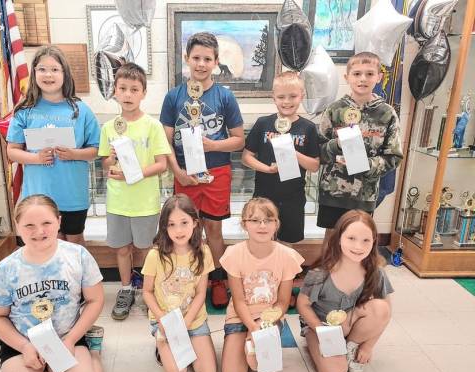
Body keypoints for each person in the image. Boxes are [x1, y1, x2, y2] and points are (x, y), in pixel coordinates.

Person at [0, 194, 104, 372]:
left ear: (59, 221)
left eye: (46, 223)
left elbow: (95, 300)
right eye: (29, 225)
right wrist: (25, 347)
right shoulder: (7, 267)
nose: (39, 232)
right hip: (23, 343)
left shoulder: (77, 255)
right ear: (17, 226)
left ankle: (93, 353)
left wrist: (69, 340)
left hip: (67, 335)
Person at [160, 32, 244, 309]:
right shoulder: (173, 97)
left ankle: (216, 279)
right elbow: (165, 141)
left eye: (207, 59)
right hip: (185, 173)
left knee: (213, 229)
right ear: (187, 59)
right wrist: (177, 172)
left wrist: (211, 145)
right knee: (184, 228)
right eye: (196, 58)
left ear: (216, 62)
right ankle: (186, 278)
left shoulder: (225, 97)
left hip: (216, 172)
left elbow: (239, 140)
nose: (201, 64)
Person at [7, 45, 100, 246]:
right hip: (39, 196)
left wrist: (74, 154)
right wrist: (36, 158)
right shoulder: (25, 110)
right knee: (47, 245)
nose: (48, 75)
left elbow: (95, 150)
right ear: (34, 73)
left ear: (64, 73)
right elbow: (12, 151)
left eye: (55, 69)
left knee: (74, 244)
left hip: (72, 194)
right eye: (42, 69)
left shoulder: (81, 110)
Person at [99, 63, 171, 321]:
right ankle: (126, 288)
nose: (128, 94)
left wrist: (136, 173)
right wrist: (112, 159)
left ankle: (150, 290)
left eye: (134, 89)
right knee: (121, 248)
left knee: (147, 248)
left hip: (145, 201)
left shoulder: (152, 126)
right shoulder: (109, 127)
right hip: (118, 201)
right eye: (123, 89)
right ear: (115, 92)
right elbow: (105, 162)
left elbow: (162, 164)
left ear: (143, 92)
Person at [297, 210, 393, 372]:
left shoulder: (376, 273)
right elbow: (302, 304)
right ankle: (320, 346)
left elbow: (386, 314)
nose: (358, 247)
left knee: (381, 307)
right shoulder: (320, 273)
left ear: (374, 242)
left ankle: (351, 347)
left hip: (351, 325)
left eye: (366, 240)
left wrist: (368, 345)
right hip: (320, 327)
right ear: (339, 238)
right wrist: (320, 330)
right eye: (351, 238)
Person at [317, 51, 403, 247]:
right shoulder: (334, 110)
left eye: (369, 73)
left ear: (379, 77)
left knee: (358, 244)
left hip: (364, 194)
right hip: (333, 192)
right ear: (347, 77)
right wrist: (336, 145)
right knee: (331, 241)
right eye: (356, 74)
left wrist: (367, 165)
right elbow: (319, 150)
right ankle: (327, 277)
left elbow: (394, 156)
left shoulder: (387, 114)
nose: (363, 79)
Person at [219, 198, 304, 372]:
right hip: (239, 318)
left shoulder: (286, 256)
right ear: (244, 224)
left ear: (276, 224)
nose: (262, 225)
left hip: (269, 319)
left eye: (268, 220)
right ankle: (244, 349)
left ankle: (253, 351)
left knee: (257, 365)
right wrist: (251, 326)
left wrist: (263, 324)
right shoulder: (234, 254)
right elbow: (239, 300)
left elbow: (282, 302)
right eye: (255, 220)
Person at [141, 194, 217, 372]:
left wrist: (188, 321)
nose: (178, 230)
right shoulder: (155, 255)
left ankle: (187, 343)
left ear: (195, 223)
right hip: (165, 321)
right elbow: (147, 292)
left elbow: (201, 292)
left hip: (194, 320)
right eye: (171, 224)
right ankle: (161, 344)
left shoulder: (204, 251)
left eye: (184, 222)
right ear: (164, 227)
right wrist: (162, 319)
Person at [242, 71, 321, 243]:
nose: (286, 101)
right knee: (261, 241)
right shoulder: (263, 123)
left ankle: (286, 271)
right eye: (281, 97)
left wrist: (294, 152)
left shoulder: (308, 128)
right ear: (274, 98)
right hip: (263, 195)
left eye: (293, 96)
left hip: (293, 197)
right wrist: (268, 169)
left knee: (287, 245)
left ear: (302, 96)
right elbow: (246, 157)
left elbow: (314, 165)